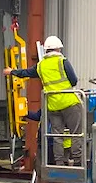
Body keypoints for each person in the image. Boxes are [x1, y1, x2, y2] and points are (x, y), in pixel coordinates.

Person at [5, 35, 84, 166]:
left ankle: (59, 162)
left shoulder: (40, 66)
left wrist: (11, 71)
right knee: (76, 133)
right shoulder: (63, 61)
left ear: (46, 50)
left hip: (53, 106)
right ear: (58, 49)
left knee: (57, 135)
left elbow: (25, 73)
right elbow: (74, 80)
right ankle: (78, 162)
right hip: (70, 103)